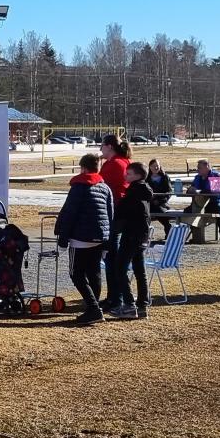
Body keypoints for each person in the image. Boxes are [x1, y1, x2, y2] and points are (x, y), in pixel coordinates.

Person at [58, 153, 117, 324]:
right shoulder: (105, 188)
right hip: (100, 236)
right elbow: (110, 215)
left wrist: (63, 239)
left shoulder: (78, 186)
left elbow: (69, 214)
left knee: (76, 273)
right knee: (94, 272)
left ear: (83, 168)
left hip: (80, 237)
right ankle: (94, 305)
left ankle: (93, 307)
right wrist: (107, 242)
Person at [114, 161, 156, 314]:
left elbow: (122, 212)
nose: (126, 175)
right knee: (140, 270)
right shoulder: (144, 191)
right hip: (142, 235)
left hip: (131, 234)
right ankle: (143, 305)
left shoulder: (134, 193)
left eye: (129, 173)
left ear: (138, 176)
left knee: (119, 269)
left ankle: (129, 304)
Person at [98, 136, 132, 310]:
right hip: (123, 214)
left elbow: (99, 185)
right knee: (114, 257)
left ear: (109, 147)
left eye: (102, 146)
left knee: (112, 258)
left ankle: (115, 297)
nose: (100, 149)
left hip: (115, 214)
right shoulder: (125, 161)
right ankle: (114, 296)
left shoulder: (114, 164)